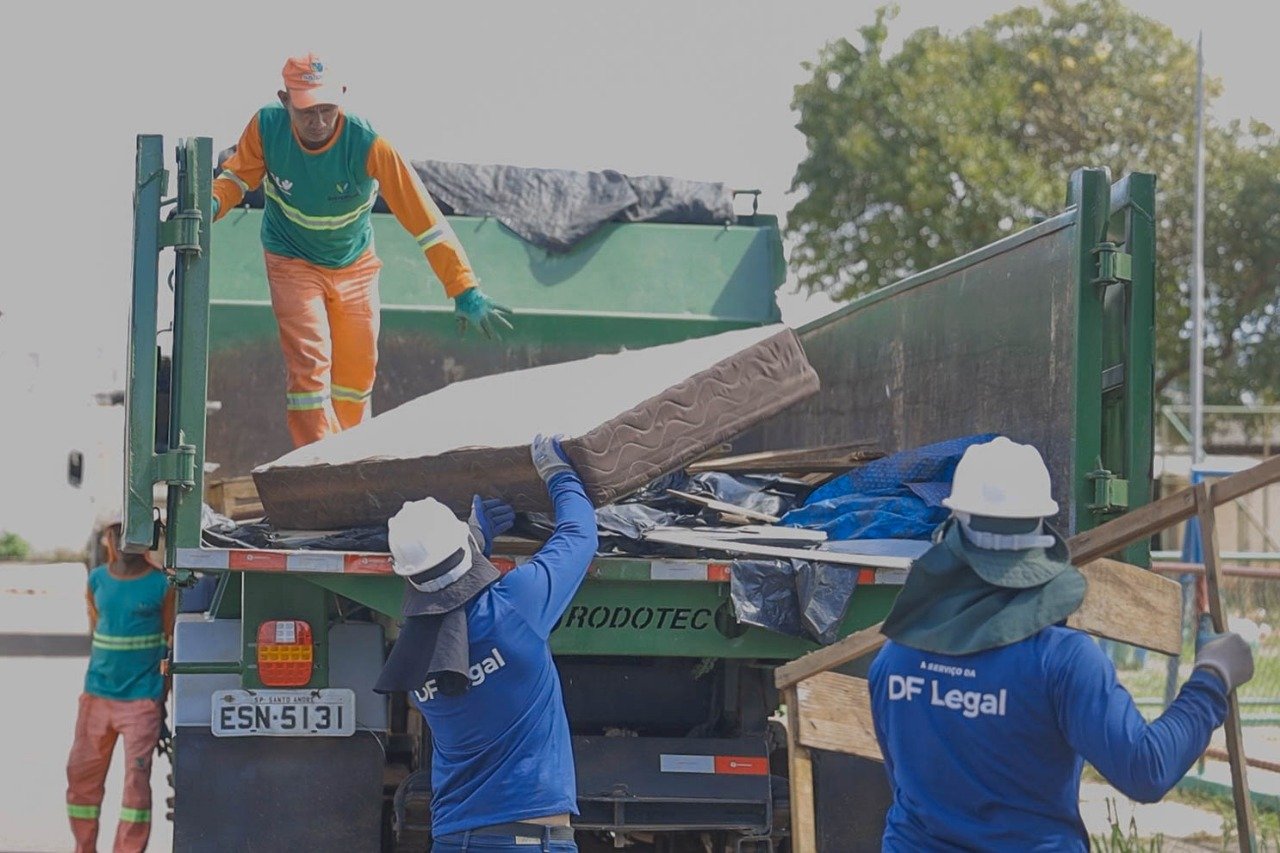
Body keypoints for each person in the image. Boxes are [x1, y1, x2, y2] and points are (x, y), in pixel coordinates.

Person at [868, 436, 1254, 851]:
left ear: (953, 530)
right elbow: (1146, 770)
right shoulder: (1061, 660)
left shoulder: (894, 658)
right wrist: (1212, 679)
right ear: (1041, 530)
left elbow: (903, 780)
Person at [212, 52, 512, 448]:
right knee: (309, 367)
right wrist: (210, 205)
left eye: (327, 109)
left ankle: (350, 456)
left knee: (356, 375)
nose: (318, 122)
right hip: (292, 260)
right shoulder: (267, 127)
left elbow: (423, 217)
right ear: (285, 100)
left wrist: (463, 287)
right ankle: (316, 469)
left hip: (354, 266)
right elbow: (236, 175)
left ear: (343, 97)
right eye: (306, 112)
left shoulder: (368, 143)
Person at [375, 435, 597, 851]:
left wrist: (475, 544)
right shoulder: (516, 608)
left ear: (406, 577)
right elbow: (580, 536)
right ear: (464, 550)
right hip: (531, 841)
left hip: (454, 839)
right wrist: (558, 474)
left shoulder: (414, 663)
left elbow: (445, 612)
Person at [66, 519, 175, 853]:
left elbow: (170, 644)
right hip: (96, 697)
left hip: (141, 700)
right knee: (81, 780)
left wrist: (160, 698)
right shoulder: (96, 580)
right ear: (110, 538)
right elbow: (97, 626)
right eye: (119, 531)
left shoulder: (162, 585)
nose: (128, 537)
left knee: (135, 785)